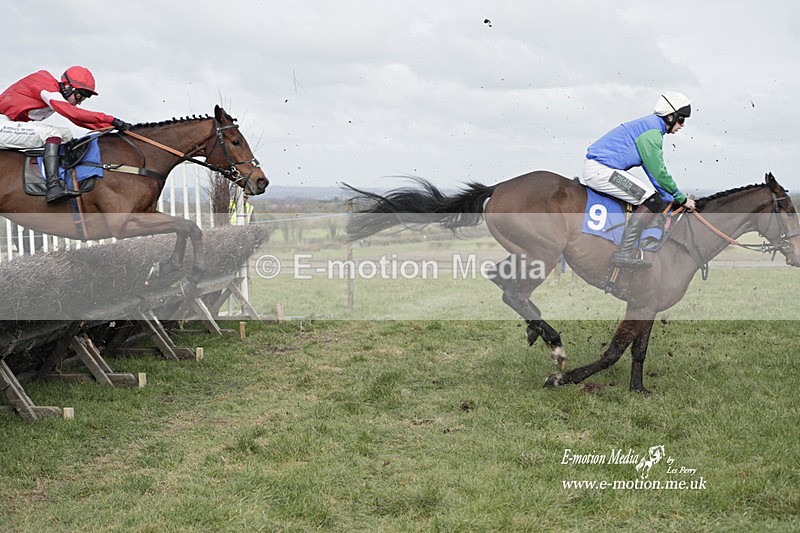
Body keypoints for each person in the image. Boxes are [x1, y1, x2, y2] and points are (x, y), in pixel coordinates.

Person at [582, 91, 696, 269]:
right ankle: (623, 252)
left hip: (602, 168)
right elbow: (659, 172)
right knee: (651, 199)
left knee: (656, 198)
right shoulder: (652, 133)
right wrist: (680, 197)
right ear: (670, 116)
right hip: (601, 170)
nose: (682, 125)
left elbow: (653, 174)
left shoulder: (650, 128)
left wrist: (670, 198)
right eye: (681, 120)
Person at [0, 66, 131, 204]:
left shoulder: (53, 92)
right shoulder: (44, 84)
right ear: (67, 86)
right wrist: (110, 119)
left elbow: (76, 119)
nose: (80, 102)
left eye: (83, 99)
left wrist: (111, 128)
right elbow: (73, 113)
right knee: (52, 133)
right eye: (80, 96)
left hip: (8, 124)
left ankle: (63, 178)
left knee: (66, 134)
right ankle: (53, 186)